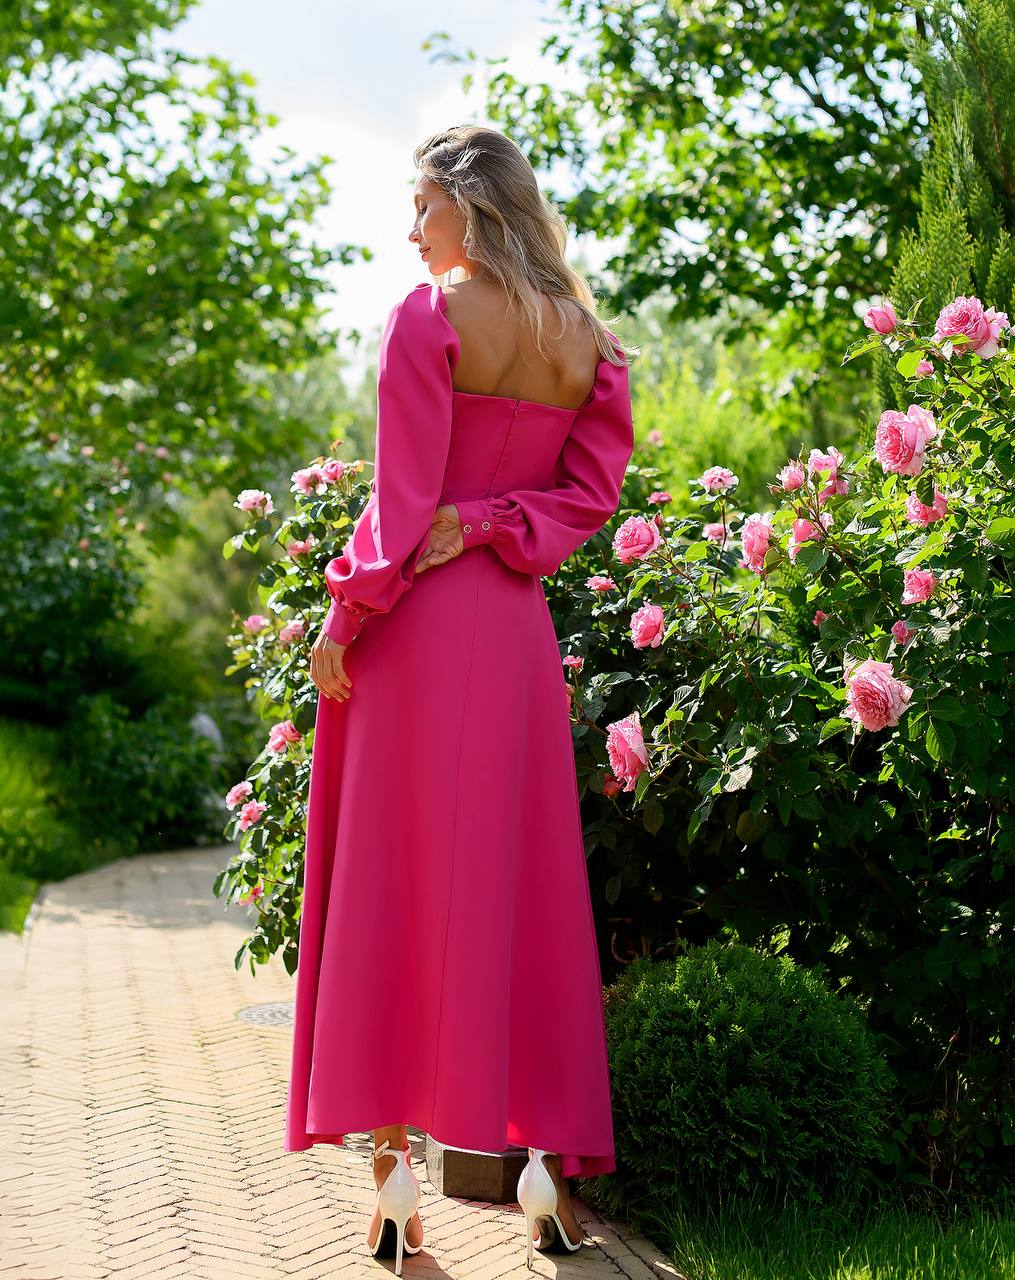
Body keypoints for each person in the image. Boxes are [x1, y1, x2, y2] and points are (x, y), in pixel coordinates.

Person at [283, 124, 635, 1274]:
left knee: (393, 886)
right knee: (511, 884)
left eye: (422, 205)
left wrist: (343, 615)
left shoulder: (430, 314)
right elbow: (577, 504)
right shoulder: (589, 344)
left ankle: (392, 1175)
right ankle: (539, 1172)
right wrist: (493, 523)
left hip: (419, 633)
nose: (411, 229)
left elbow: (398, 504)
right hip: (515, 639)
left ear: (469, 208)